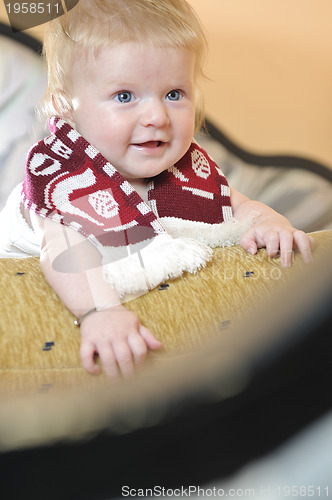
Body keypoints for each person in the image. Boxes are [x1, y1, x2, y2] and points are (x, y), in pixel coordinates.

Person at [0, 0, 314, 379]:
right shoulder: (61, 182)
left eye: (174, 94)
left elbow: (237, 206)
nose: (157, 117)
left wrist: (269, 221)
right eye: (125, 96)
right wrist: (100, 312)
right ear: (63, 106)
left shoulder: (188, 172)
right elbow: (64, 251)